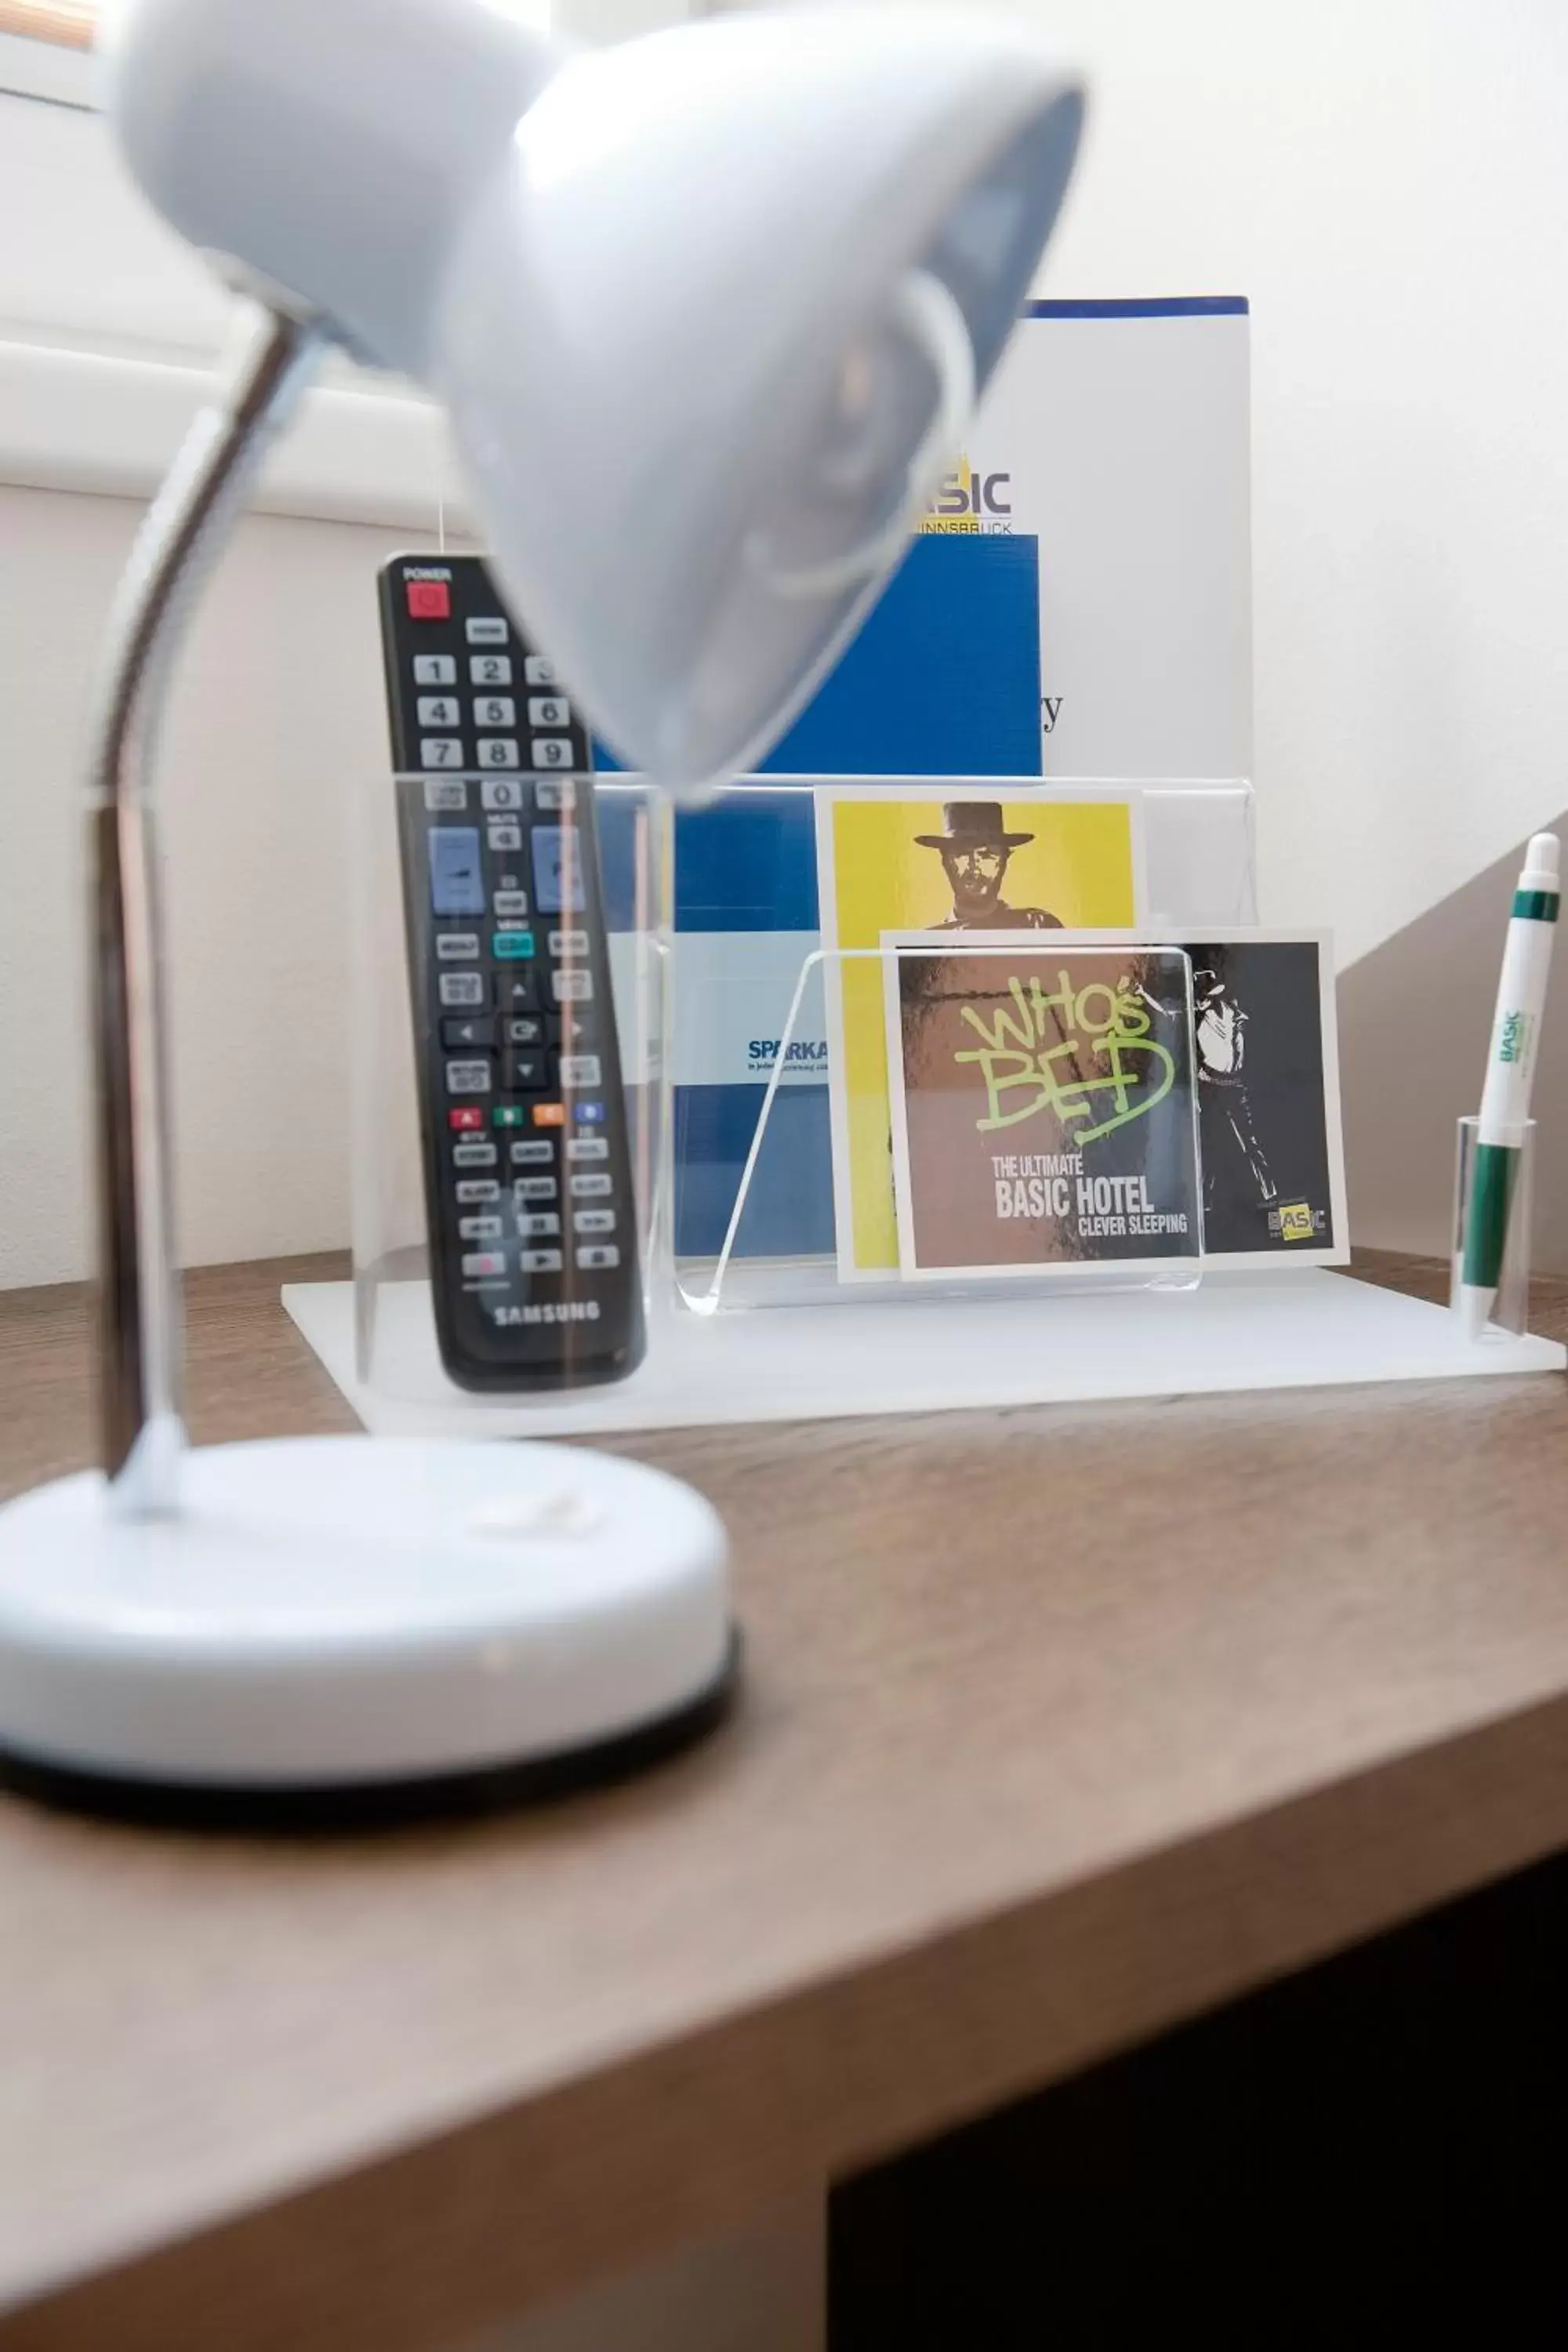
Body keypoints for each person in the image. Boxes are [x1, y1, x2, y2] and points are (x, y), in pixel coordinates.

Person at [915, 802, 1063, 930]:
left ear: (1004, 863)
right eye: (962, 854)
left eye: (987, 856)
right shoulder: (928, 946)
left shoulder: (1038, 927)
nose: (974, 868)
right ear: (946, 863)